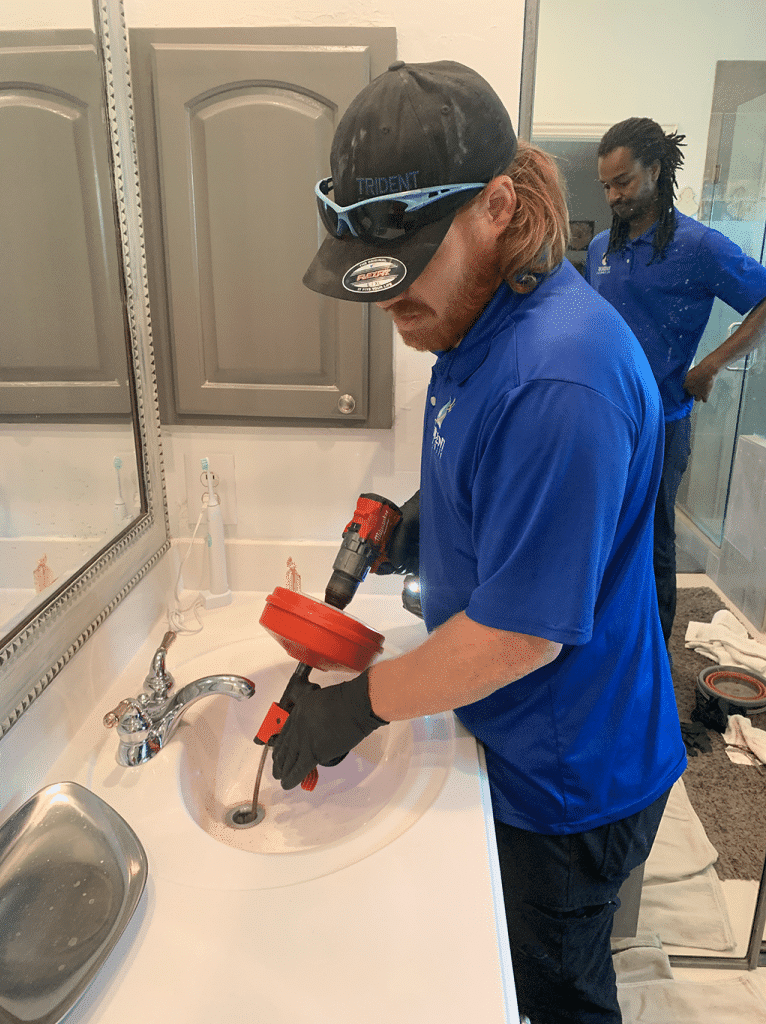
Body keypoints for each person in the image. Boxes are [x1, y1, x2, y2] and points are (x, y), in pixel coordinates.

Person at [271, 61, 687, 1024]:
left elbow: (518, 638)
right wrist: (427, 520)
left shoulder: (560, 375)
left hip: (570, 782)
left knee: (556, 999)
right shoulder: (481, 321)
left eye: (410, 269)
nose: (391, 305)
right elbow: (505, 464)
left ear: (498, 205)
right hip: (528, 740)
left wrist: (359, 708)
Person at [586, 118, 766, 647]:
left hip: (662, 425)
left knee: (655, 544)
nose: (613, 195)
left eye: (623, 182)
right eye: (606, 186)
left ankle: (655, 664)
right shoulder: (601, 249)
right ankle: (602, 647)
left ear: (656, 170)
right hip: (602, 421)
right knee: (599, 537)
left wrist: (711, 365)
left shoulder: (699, 246)